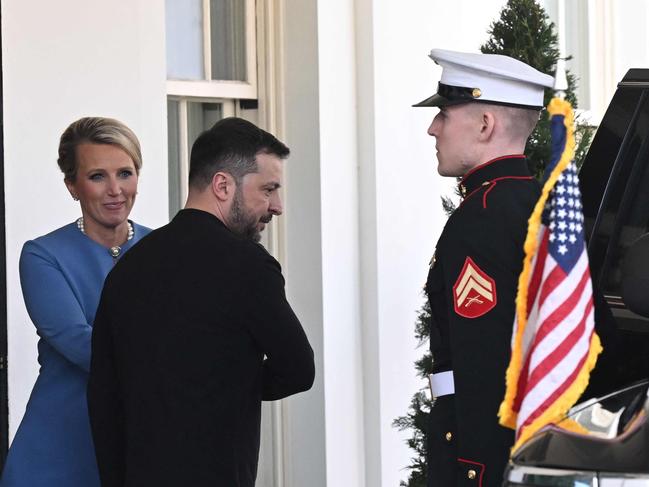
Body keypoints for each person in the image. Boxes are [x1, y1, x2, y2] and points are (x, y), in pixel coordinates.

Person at [87, 117, 315, 487]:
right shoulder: (249, 266)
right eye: (268, 189)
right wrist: (229, 383)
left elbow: (104, 396)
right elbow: (299, 369)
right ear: (223, 185)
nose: (277, 206)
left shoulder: (129, 265)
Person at [413, 49, 554, 486]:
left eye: (444, 113)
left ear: (485, 124)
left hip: (489, 460)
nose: (432, 127)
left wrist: (474, 472)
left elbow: (482, 370)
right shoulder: (543, 205)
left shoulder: (482, 218)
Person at [0, 117, 151, 487]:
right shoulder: (42, 256)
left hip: (141, 441)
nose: (115, 190)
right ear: (72, 185)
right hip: (62, 447)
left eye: (125, 173)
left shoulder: (163, 249)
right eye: (98, 176)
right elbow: (81, 343)